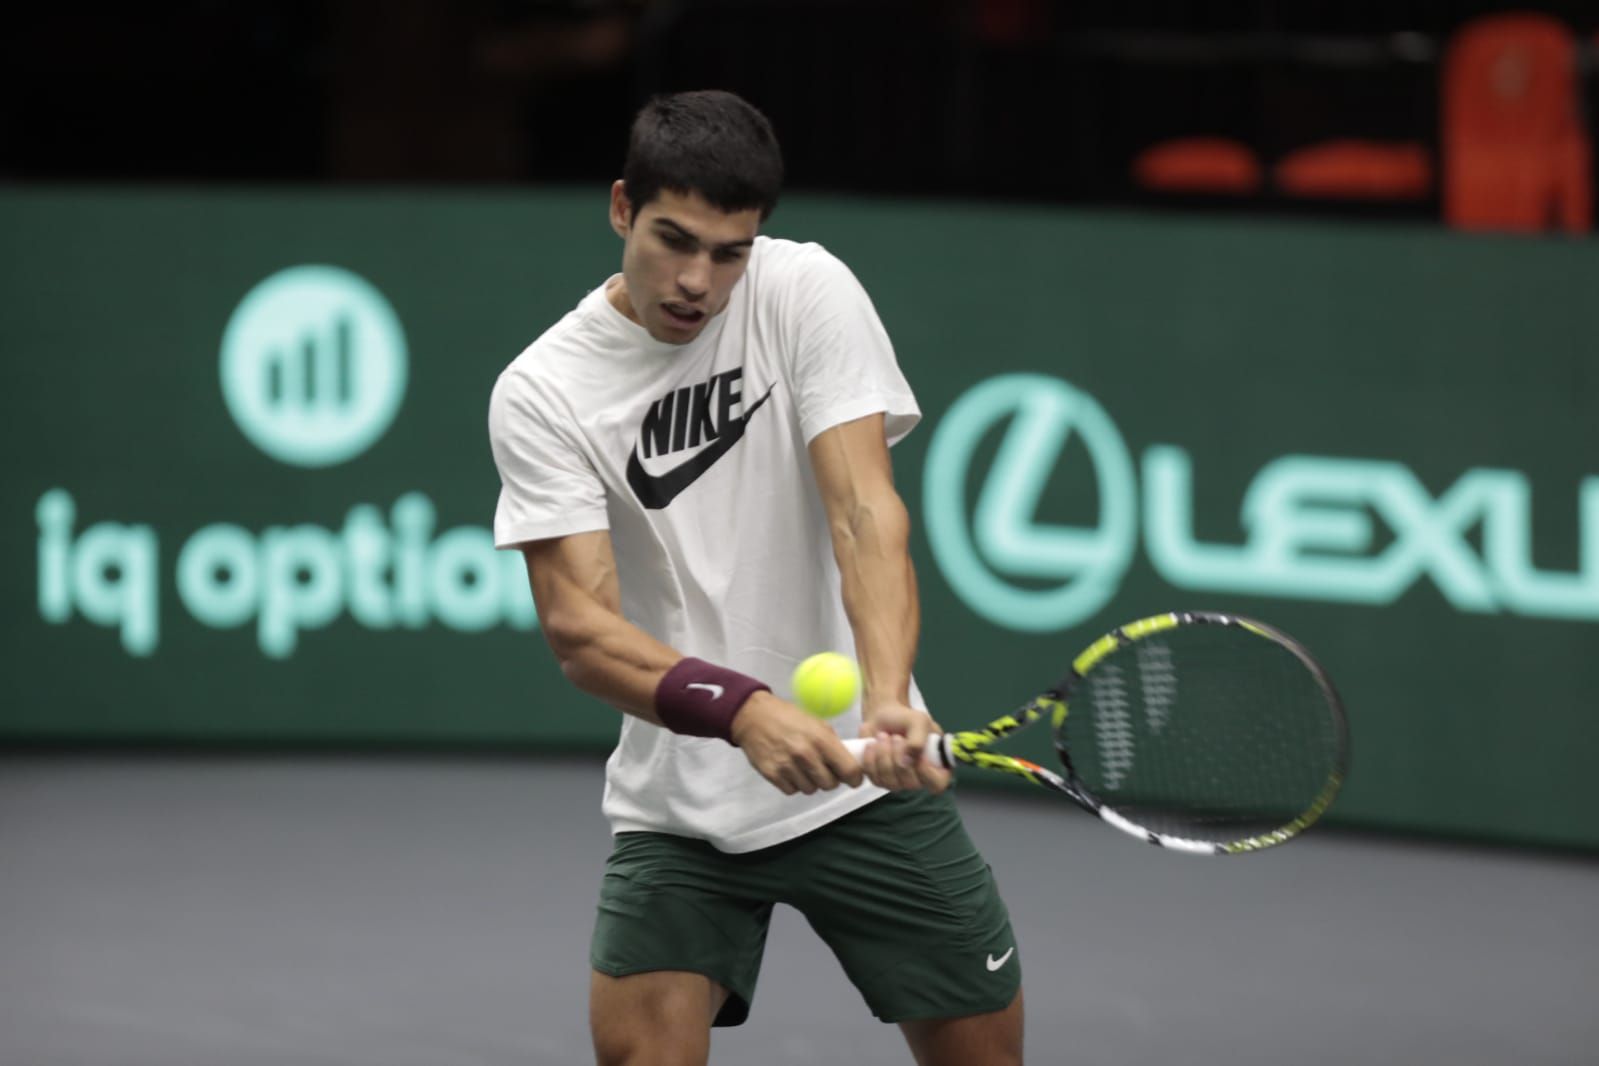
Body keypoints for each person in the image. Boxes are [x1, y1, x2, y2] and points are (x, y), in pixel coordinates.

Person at [488, 89, 1024, 1066]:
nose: (697, 280)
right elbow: (580, 627)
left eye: (729, 251)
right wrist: (742, 711)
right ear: (621, 208)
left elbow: (864, 508)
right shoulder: (543, 392)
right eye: (673, 239)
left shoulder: (804, 291)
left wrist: (890, 694)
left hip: (862, 786)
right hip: (682, 800)